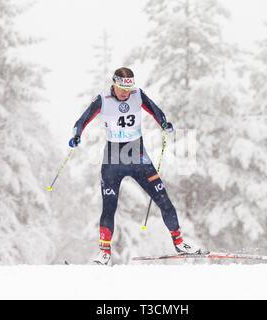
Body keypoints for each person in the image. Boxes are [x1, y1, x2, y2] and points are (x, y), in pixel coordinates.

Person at [70, 67, 205, 265]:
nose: (126, 93)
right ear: (114, 84)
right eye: (122, 89)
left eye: (129, 88)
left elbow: (156, 111)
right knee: (109, 207)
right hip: (113, 159)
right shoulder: (103, 99)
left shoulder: (137, 95)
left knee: (163, 200)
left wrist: (164, 124)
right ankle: (104, 253)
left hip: (138, 156)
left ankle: (179, 243)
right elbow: (82, 120)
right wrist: (77, 135)